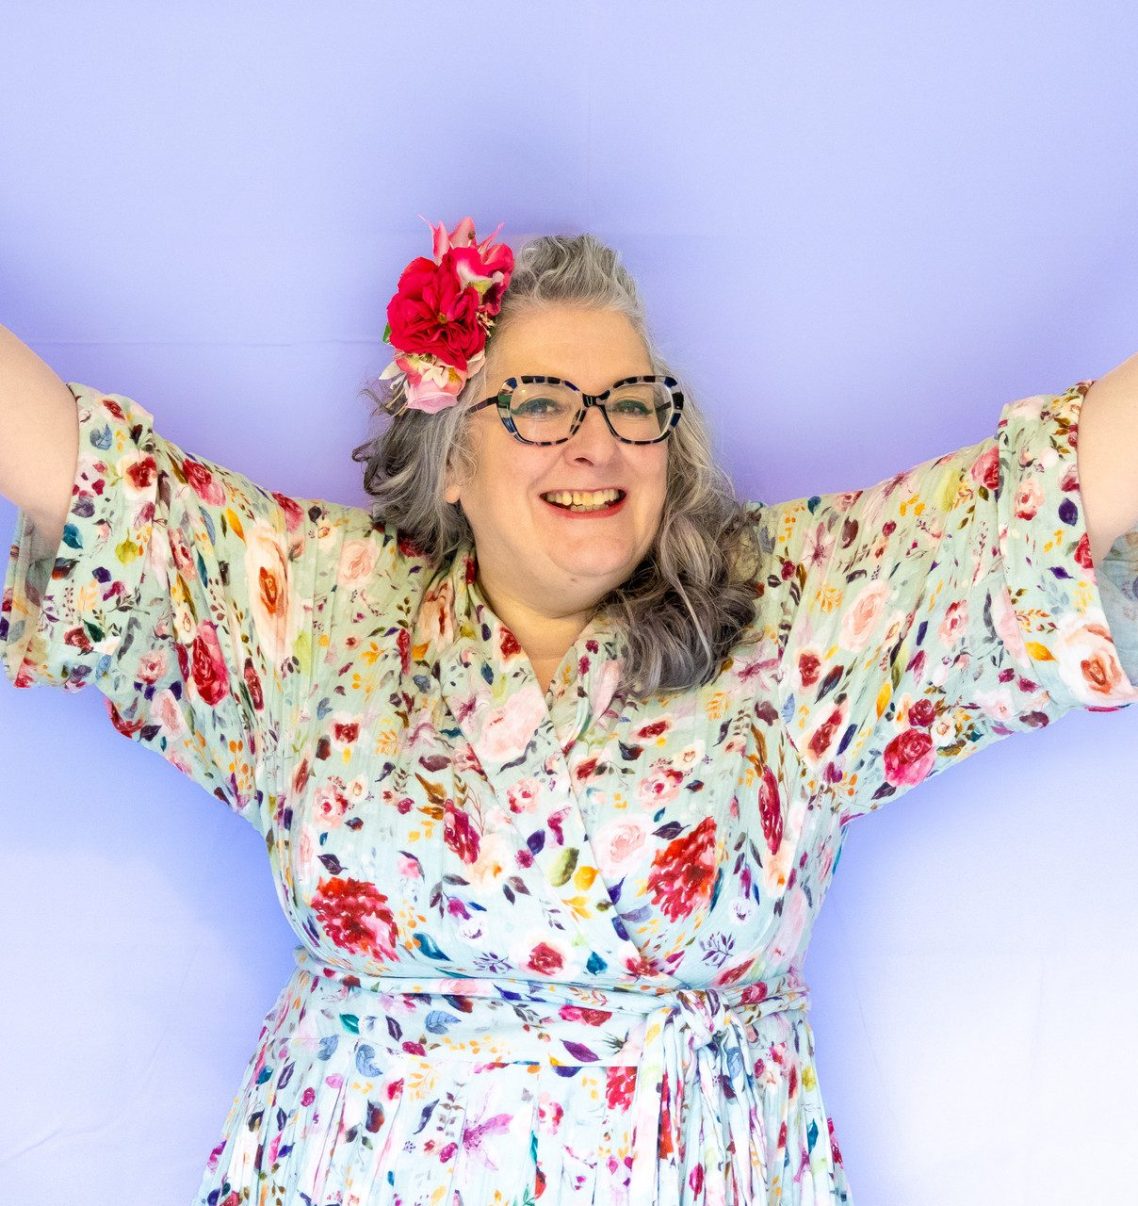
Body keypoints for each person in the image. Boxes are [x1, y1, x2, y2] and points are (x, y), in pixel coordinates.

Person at [2, 215, 1138, 1205]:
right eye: (538, 405)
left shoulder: (792, 614)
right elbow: (86, 475)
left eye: (632, 405)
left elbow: (1054, 486)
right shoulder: (314, 608)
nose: (594, 441)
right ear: (451, 459)